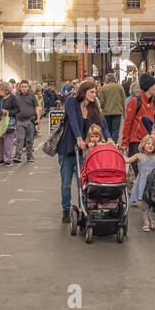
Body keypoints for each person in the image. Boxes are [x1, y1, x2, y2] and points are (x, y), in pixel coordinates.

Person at [58, 80, 104, 223]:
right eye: (92, 92)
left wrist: (108, 139)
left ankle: (82, 208)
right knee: (66, 183)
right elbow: (72, 120)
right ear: (84, 92)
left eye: (95, 92)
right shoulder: (72, 102)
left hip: (84, 151)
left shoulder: (94, 107)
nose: (94, 95)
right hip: (68, 148)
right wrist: (79, 137)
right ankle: (66, 208)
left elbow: (103, 125)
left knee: (83, 182)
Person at [120, 73, 155, 165]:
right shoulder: (135, 101)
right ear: (148, 87)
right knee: (137, 170)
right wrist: (124, 142)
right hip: (136, 142)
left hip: (149, 142)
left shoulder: (153, 103)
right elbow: (127, 123)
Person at [128, 132, 155, 233]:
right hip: (142, 182)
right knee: (144, 203)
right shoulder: (138, 156)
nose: (150, 146)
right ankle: (146, 221)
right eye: (148, 143)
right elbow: (128, 160)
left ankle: (151, 216)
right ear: (143, 144)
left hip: (153, 182)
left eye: (152, 144)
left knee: (153, 202)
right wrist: (117, 152)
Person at [0, 83, 19, 166]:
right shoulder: (0, 98)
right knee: (0, 142)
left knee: (8, 142)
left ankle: (8, 159)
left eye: (0, 90)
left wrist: (8, 112)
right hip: (0, 123)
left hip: (9, 123)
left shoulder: (12, 98)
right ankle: (2, 158)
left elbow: (18, 109)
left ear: (5, 90)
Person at [13, 80, 39, 162]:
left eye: (25, 87)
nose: (24, 88)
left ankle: (30, 156)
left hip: (30, 120)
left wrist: (38, 118)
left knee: (29, 139)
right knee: (20, 139)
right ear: (19, 88)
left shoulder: (32, 95)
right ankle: (17, 156)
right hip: (20, 121)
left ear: (28, 87)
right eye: (22, 87)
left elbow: (36, 107)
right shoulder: (16, 95)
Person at [99, 75, 127, 145]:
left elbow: (101, 101)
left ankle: (108, 143)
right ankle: (113, 144)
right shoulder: (119, 87)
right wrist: (124, 111)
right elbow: (124, 99)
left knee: (107, 129)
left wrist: (102, 107)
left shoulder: (103, 88)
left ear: (107, 79)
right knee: (116, 129)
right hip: (117, 111)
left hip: (106, 112)